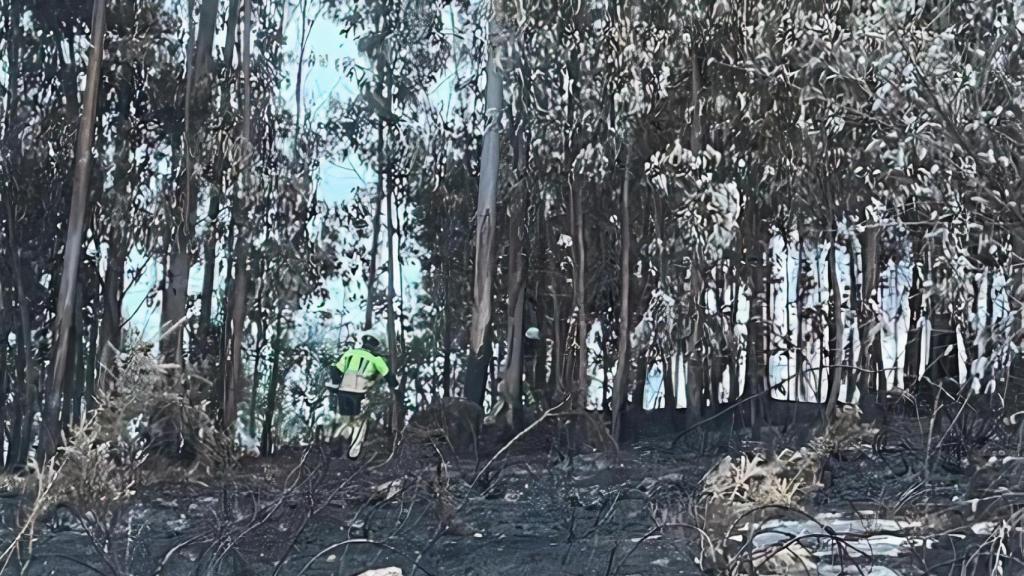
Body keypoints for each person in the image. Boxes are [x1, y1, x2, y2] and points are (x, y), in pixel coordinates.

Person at [324, 328, 397, 459]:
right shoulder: (376, 359)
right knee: (360, 422)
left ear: (363, 343)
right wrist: (394, 386)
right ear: (374, 347)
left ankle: (336, 449)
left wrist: (337, 384)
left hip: (343, 392)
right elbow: (390, 377)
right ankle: (353, 452)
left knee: (345, 420)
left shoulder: (349, 353)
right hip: (359, 394)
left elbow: (335, 370)